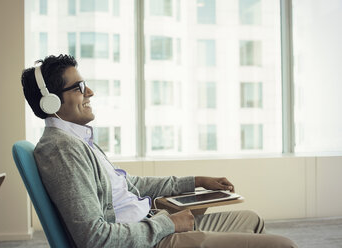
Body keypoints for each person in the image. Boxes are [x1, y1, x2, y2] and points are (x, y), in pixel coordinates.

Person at [21, 54, 297, 248]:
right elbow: (96, 240)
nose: (90, 91)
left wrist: (197, 181)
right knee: (284, 244)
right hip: (154, 240)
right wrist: (169, 224)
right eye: (80, 87)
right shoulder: (62, 150)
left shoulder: (79, 141)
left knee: (252, 219)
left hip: (152, 225)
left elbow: (132, 185)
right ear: (51, 101)